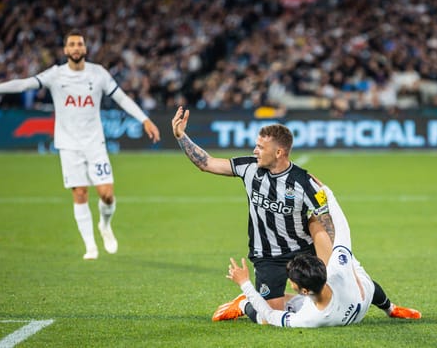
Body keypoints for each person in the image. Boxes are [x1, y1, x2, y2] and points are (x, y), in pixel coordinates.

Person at [171, 106, 420, 321]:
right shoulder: (248, 167)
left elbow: (325, 217)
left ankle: (390, 308)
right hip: (266, 255)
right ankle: (245, 303)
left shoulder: (303, 182)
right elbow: (207, 163)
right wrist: (182, 136)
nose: (255, 150)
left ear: (278, 152)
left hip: (302, 250)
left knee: (347, 281)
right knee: (269, 317)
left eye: (260, 147)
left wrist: (335, 256)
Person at [0, 30, 161, 260]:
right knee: (80, 194)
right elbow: (25, 84)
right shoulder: (55, 75)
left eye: (80, 44)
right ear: (66, 50)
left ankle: (105, 226)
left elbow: (122, 98)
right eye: (72, 44)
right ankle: (90, 246)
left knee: (107, 194)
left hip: (95, 144)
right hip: (69, 145)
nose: (76, 47)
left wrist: (145, 119)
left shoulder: (98, 73)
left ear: (85, 49)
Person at [226, 184, 421, 327]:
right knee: (361, 276)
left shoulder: (308, 318)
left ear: (303, 290)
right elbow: (342, 226)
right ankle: (391, 308)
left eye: (291, 280)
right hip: (355, 295)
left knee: (266, 318)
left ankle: (242, 303)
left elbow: (269, 315)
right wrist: (327, 192)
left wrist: (244, 283)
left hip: (330, 302)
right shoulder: (340, 268)